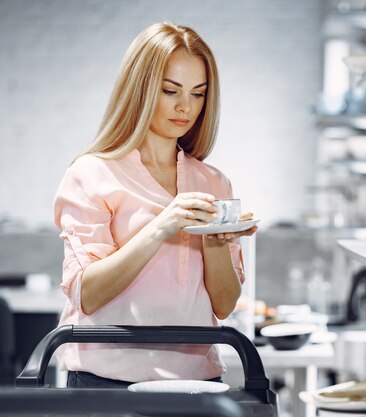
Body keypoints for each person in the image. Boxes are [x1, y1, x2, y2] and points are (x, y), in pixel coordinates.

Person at [53, 22, 257, 388]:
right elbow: (87, 293)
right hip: (105, 382)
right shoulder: (91, 173)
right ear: (141, 89)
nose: (185, 107)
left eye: (198, 93)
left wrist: (216, 239)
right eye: (170, 90)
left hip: (197, 382)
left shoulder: (214, 182)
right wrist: (161, 227)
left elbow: (224, 305)